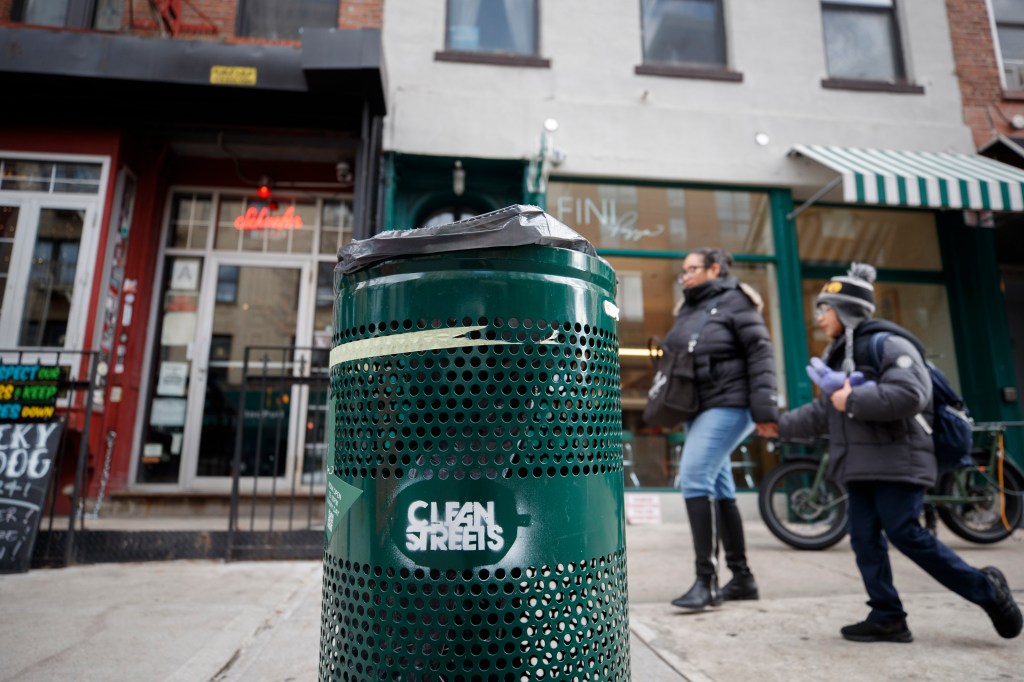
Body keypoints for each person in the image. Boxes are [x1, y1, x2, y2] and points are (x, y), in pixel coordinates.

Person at [777, 262, 1022, 643]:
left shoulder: (888, 343)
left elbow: (911, 395)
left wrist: (852, 398)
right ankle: (887, 615)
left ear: (846, 310)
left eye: (825, 308)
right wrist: (778, 425)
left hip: (899, 459)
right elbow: (826, 410)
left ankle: (987, 591)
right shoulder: (841, 354)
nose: (820, 317)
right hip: (860, 464)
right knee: (862, 537)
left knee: (906, 532)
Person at [663, 247, 779, 611]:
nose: (686, 276)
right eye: (683, 271)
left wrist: (764, 408)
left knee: (695, 475)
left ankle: (705, 582)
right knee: (718, 483)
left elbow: (761, 352)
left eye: (692, 269)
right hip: (698, 404)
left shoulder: (736, 302)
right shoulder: (689, 307)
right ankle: (742, 577)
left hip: (732, 403)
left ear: (715, 269)